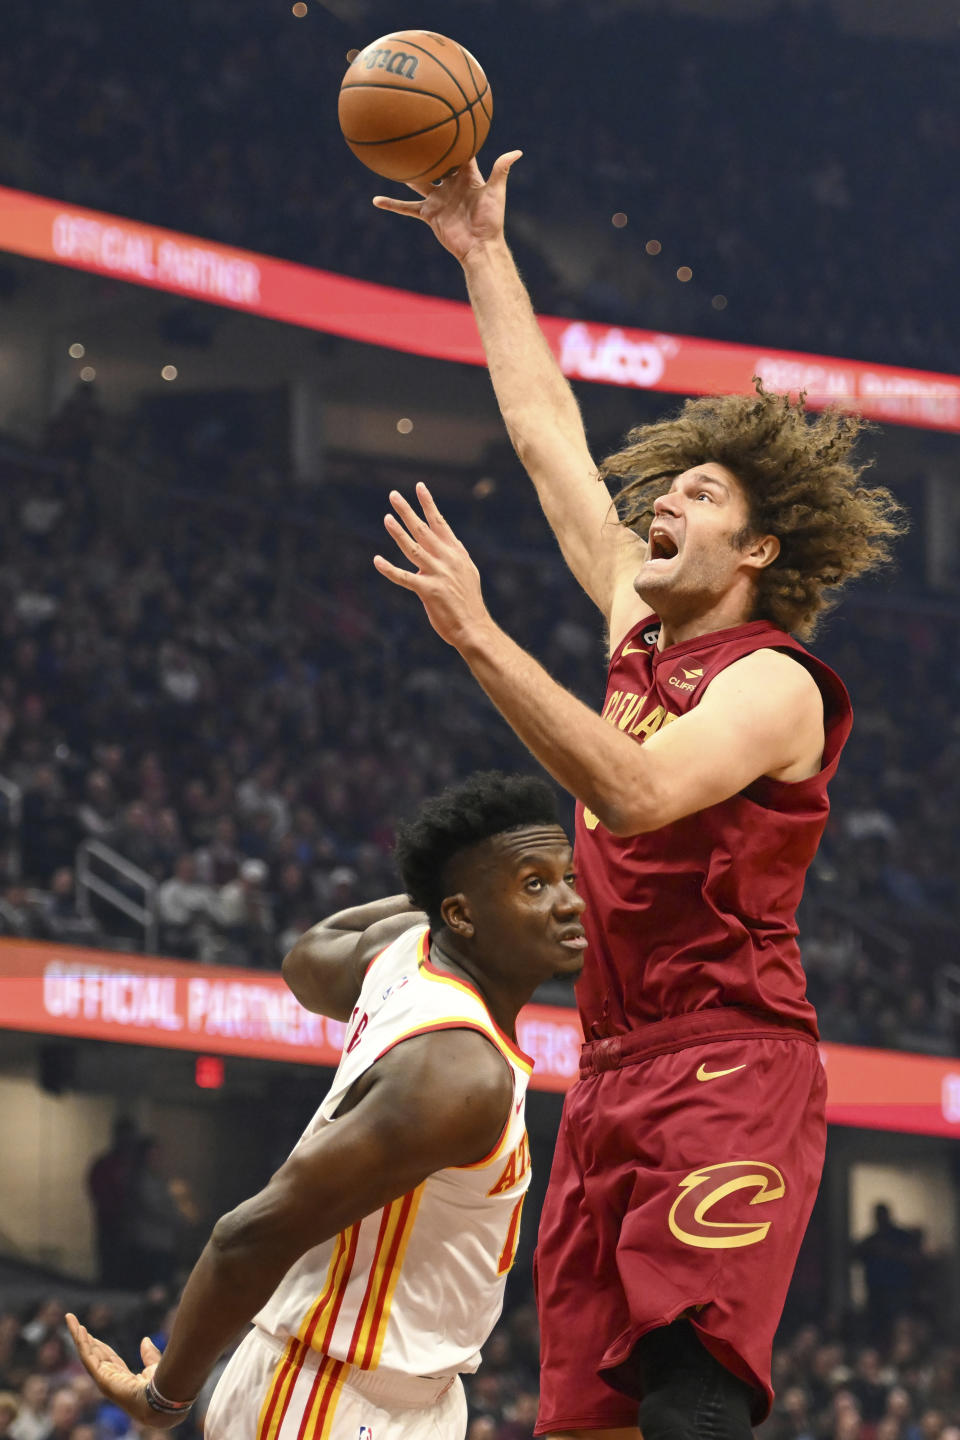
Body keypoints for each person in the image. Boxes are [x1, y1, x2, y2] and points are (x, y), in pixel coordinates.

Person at [372, 156, 906, 1440]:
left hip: (731, 1063)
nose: (662, 498)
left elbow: (640, 789)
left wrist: (480, 637)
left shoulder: (775, 682)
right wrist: (479, 248)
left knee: (691, 1400)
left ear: (759, 552)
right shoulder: (636, 633)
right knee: (587, 1425)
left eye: (701, 495)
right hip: (606, 1072)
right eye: (668, 489)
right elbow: (548, 436)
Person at [67, 771, 586, 1440]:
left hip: (397, 1395)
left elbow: (305, 959)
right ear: (461, 915)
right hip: (332, 1399)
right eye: (534, 884)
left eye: (567, 876)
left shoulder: (405, 953)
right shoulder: (456, 1074)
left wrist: (453, 889)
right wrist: (164, 1399)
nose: (571, 902)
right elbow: (249, 1235)